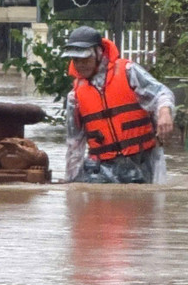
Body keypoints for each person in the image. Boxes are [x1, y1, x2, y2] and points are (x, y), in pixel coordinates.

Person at [63, 26, 175, 183]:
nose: (81, 65)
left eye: (86, 59)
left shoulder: (128, 72)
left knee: (145, 203)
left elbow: (161, 93)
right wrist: (70, 182)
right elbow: (74, 144)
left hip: (142, 160)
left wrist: (164, 113)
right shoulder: (74, 96)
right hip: (102, 167)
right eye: (76, 60)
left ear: (98, 53)